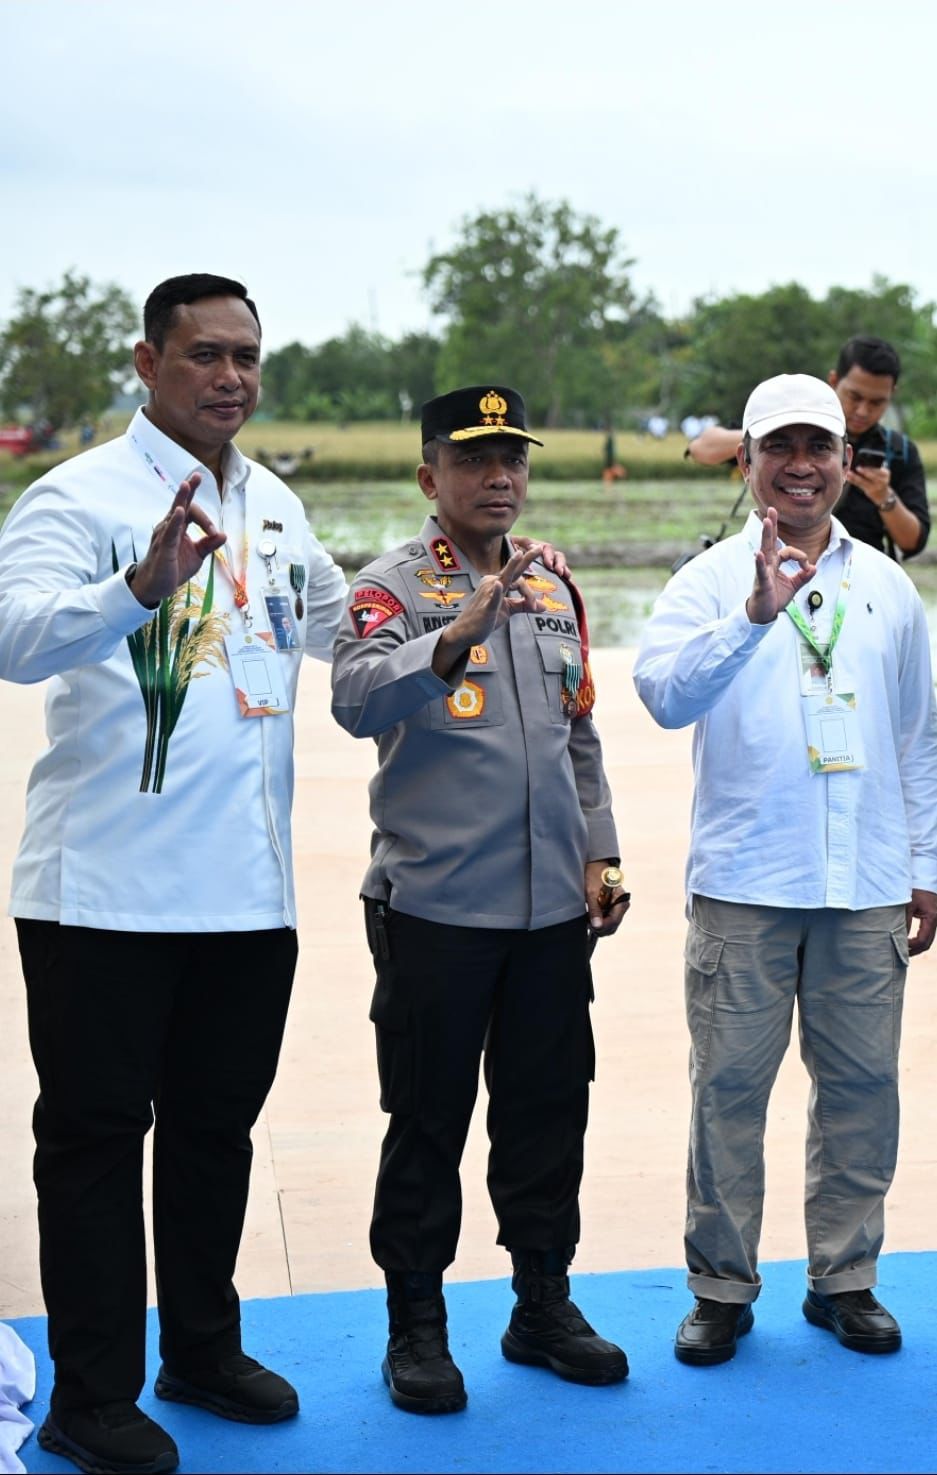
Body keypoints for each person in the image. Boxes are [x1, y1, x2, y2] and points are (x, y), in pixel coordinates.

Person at [0, 273, 348, 1475]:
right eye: (205, 354)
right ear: (146, 364)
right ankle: (92, 1394)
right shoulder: (77, 495)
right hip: (103, 894)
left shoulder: (277, 504)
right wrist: (136, 586)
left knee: (215, 1132)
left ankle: (201, 1347)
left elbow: (340, 625)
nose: (232, 377)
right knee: (95, 1142)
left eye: (248, 356)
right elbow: (13, 634)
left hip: (247, 895)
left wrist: (453, 604)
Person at [331, 385, 631, 1414]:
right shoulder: (390, 586)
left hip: (551, 912)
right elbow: (354, 697)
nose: (498, 477)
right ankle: (416, 1325)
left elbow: (577, 732)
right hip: (434, 912)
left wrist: (601, 854)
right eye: (473, 460)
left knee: (548, 1111)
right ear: (429, 478)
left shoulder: (554, 586)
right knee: (427, 1118)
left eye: (511, 459)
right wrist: (452, 632)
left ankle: (540, 1303)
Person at [633, 373, 937, 1368]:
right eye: (780, 448)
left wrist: (924, 864)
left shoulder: (888, 586)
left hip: (864, 888)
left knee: (859, 1087)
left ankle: (842, 1278)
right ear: (751, 460)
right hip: (744, 887)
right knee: (727, 1090)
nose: (801, 466)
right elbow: (663, 696)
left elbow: (916, 740)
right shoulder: (709, 579)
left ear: (846, 461)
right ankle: (719, 1286)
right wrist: (755, 616)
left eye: (819, 448)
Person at [684, 337, 929, 559]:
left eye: (877, 402)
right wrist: (767, 434)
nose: (863, 411)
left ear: (847, 459)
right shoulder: (778, 421)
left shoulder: (899, 451)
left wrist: (884, 497)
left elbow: (913, 542)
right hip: (775, 564)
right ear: (834, 381)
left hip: (857, 573)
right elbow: (700, 448)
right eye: (855, 397)